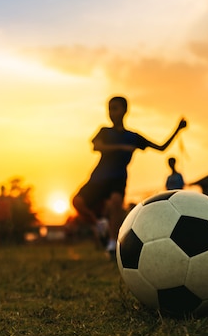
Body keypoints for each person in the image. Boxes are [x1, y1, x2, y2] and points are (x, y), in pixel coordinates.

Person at [72, 96, 187, 259]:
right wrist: (121, 147)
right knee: (77, 202)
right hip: (99, 177)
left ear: (125, 110)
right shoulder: (105, 131)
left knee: (116, 203)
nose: (111, 112)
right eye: (109, 109)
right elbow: (97, 146)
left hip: (118, 177)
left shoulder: (133, 136)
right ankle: (98, 224)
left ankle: (113, 243)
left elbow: (161, 147)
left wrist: (178, 129)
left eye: (115, 108)